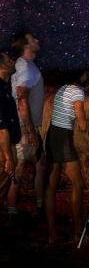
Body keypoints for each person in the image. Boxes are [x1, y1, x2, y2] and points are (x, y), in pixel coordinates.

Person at [45, 70, 89, 244]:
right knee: (78, 184)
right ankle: (79, 234)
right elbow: (83, 125)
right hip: (63, 139)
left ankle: (52, 235)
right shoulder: (78, 92)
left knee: (51, 186)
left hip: (52, 136)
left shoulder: (64, 87)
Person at [8, 31, 45, 218]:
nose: (37, 40)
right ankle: (11, 211)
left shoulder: (25, 65)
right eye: (33, 39)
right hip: (24, 126)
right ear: (26, 45)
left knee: (40, 164)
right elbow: (21, 98)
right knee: (20, 167)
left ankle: (40, 205)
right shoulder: (26, 67)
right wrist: (30, 131)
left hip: (25, 125)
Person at [0, 49, 21, 206]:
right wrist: (8, 158)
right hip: (2, 147)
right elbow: (2, 128)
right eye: (9, 61)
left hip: (8, 144)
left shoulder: (5, 87)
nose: (13, 62)